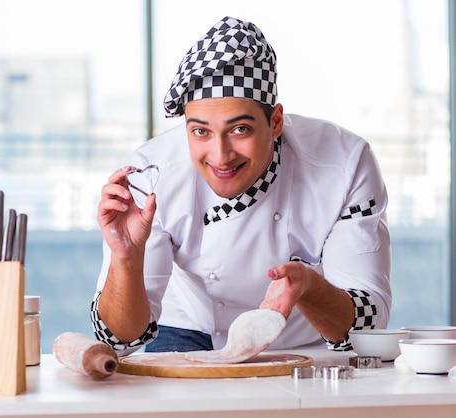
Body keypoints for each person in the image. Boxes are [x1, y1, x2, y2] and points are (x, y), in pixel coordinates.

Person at [91, 16, 391, 356]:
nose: (220, 156)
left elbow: (369, 327)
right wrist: (126, 257)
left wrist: (307, 286)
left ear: (275, 121)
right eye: (200, 131)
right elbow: (119, 340)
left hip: (302, 338)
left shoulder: (345, 164)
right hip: (189, 327)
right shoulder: (151, 176)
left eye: (240, 129)